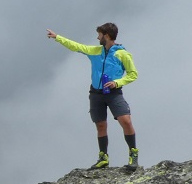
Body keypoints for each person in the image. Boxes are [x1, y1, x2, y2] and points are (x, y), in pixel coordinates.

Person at [45, 23, 139, 169]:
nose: (97, 37)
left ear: (106, 35)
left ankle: (133, 154)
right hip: (96, 93)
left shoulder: (122, 54)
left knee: (125, 121)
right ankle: (103, 157)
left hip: (114, 93)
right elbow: (76, 46)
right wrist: (58, 37)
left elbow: (133, 74)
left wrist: (117, 82)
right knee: (100, 125)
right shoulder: (96, 51)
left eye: (99, 34)